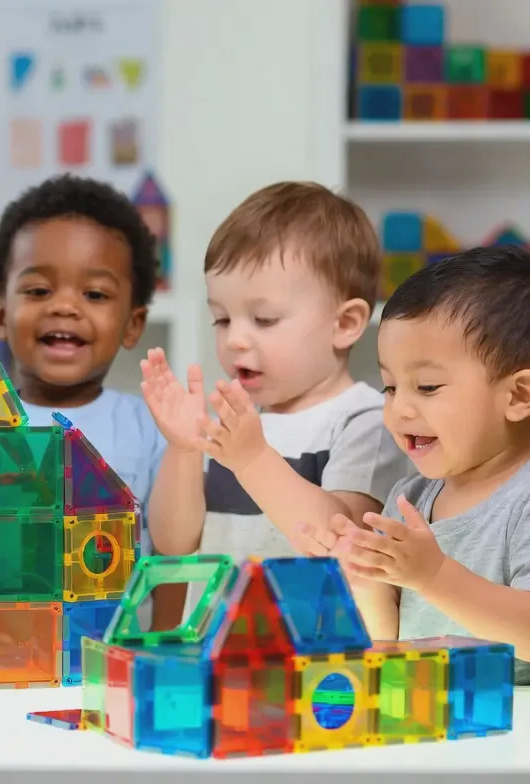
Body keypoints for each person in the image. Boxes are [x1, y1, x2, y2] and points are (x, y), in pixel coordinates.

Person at [295, 245, 530, 724]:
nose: (399, 409)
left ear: (518, 396)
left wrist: (431, 575)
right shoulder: (409, 498)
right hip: (428, 713)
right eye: (390, 387)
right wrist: (362, 579)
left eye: (427, 387)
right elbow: (386, 640)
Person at [140, 181, 410, 615]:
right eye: (221, 319)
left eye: (264, 319)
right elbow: (175, 544)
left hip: (315, 661)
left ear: (345, 324)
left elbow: (341, 539)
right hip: (223, 649)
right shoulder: (236, 427)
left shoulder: (365, 420)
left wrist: (252, 459)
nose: (235, 340)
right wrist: (184, 448)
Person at [0, 174, 179, 628]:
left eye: (94, 294)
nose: (65, 307)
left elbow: (173, 559)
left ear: (133, 324)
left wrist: (167, 650)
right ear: (0, 315)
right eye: (38, 290)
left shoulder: (151, 428)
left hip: (109, 661)